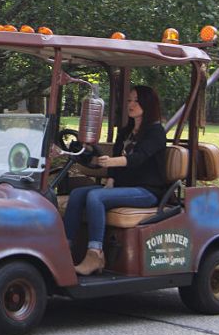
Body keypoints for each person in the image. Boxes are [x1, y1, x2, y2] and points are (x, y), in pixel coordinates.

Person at [62, 85, 168, 275]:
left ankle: (95, 254)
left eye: (136, 101)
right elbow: (116, 160)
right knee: (78, 194)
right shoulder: (126, 131)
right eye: (129, 100)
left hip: (147, 191)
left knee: (96, 197)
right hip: (124, 187)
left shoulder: (156, 132)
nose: (131, 104)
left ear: (147, 104)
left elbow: (138, 158)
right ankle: (65, 248)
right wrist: (110, 179)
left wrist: (112, 161)